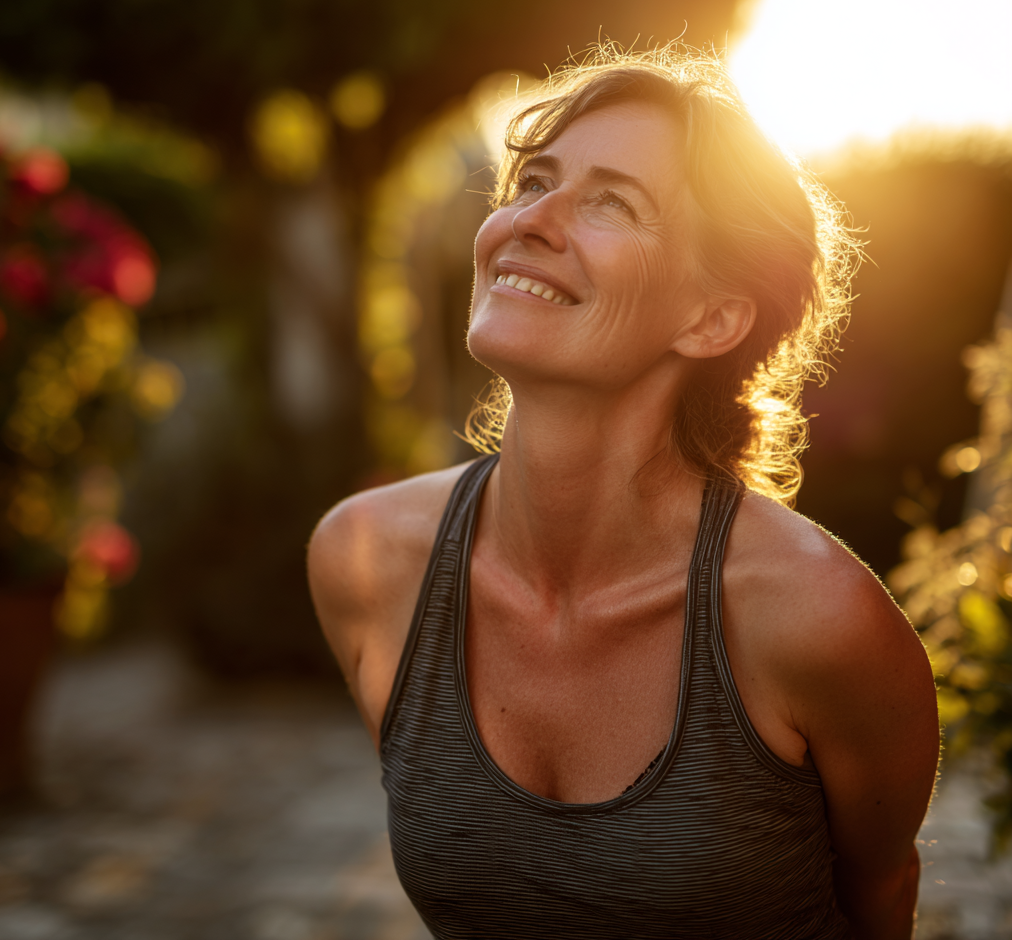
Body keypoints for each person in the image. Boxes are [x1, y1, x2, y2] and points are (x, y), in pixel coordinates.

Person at [308, 47, 939, 940]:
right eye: (533, 181)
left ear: (711, 317)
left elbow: (880, 895)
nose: (533, 220)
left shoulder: (818, 620)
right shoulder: (367, 562)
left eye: (612, 202)